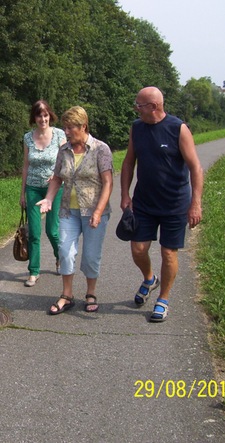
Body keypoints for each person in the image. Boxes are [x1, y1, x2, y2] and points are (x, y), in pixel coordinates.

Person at [120, 86, 203, 322]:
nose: (136, 109)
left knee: (168, 254)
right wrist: (125, 194)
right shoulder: (137, 128)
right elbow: (128, 162)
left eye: (139, 105)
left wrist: (195, 203)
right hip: (144, 203)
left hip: (175, 204)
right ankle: (149, 279)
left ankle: (163, 300)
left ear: (154, 106)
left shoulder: (178, 129)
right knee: (138, 249)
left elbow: (196, 167)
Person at [37, 106, 113, 314]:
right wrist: (48, 199)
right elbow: (57, 178)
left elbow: (108, 183)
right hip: (69, 212)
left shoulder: (100, 149)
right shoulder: (64, 150)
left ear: (83, 126)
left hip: (94, 212)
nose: (67, 132)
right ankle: (67, 295)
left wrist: (98, 212)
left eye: (71, 128)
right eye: (65, 128)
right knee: (65, 251)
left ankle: (90, 293)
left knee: (90, 255)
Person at [20, 100, 66, 287]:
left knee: (52, 231)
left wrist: (57, 176)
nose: (43, 119)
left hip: (54, 189)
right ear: (34, 118)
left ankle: (60, 257)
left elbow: (65, 162)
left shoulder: (59, 135)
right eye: (39, 115)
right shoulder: (28, 138)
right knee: (35, 232)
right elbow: (25, 166)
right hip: (33, 188)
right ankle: (34, 271)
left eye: (46, 115)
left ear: (50, 116)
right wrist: (22, 193)